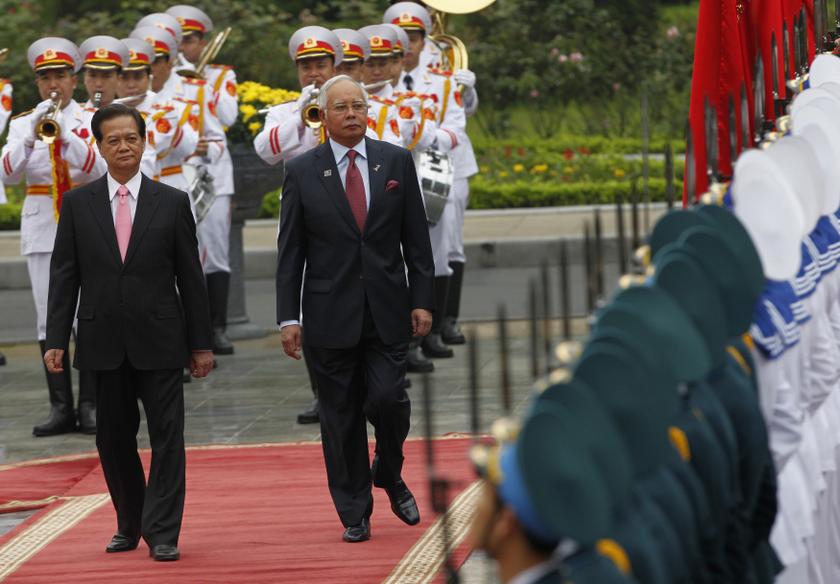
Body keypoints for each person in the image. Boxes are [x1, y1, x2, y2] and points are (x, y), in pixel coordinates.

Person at [44, 103, 213, 562]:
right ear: (99, 147)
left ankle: (163, 531)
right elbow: (64, 275)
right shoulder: (78, 204)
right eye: (113, 139)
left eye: (131, 138)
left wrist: (201, 344)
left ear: (144, 142)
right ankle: (130, 522)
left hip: (160, 340)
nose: (124, 146)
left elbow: (191, 281)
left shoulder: (172, 202)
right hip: (102, 342)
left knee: (167, 438)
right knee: (112, 440)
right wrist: (56, 338)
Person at [275, 76, 434, 542]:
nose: (351, 114)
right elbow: (290, 253)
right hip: (328, 314)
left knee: (389, 400)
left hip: (387, 308)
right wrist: (289, 318)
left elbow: (416, 241)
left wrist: (423, 299)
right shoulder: (302, 171)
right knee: (339, 415)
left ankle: (388, 468)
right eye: (340, 107)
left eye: (358, 106)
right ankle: (354, 510)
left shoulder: (395, 162)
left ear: (369, 112)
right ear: (323, 117)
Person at [1, 37, 106, 436]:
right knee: (49, 316)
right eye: (45, 78)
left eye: (60, 76)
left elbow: (98, 170)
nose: (53, 85)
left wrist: (65, 137)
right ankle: (60, 406)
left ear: (74, 79)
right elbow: (8, 174)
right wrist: (31, 136)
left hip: (86, 220)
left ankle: (91, 405)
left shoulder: (92, 116)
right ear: (37, 83)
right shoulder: (22, 122)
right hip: (43, 222)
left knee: (89, 314)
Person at [255, 26, 344, 425]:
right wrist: (301, 115)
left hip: (351, 217)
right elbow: (267, 151)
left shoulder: (355, 105)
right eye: (306, 67)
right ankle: (322, 394)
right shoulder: (283, 111)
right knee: (310, 308)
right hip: (307, 223)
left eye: (320, 65)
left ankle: (354, 390)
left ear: (334, 66)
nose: (313, 74)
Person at [166, 4, 238, 356]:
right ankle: (188, 333)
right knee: (180, 254)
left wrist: (202, 79)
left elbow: (228, 117)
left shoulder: (221, 75)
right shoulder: (165, 77)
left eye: (190, 40)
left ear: (203, 40)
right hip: (176, 173)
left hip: (211, 176)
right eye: (178, 41)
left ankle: (217, 328)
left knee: (216, 252)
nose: (184, 48)